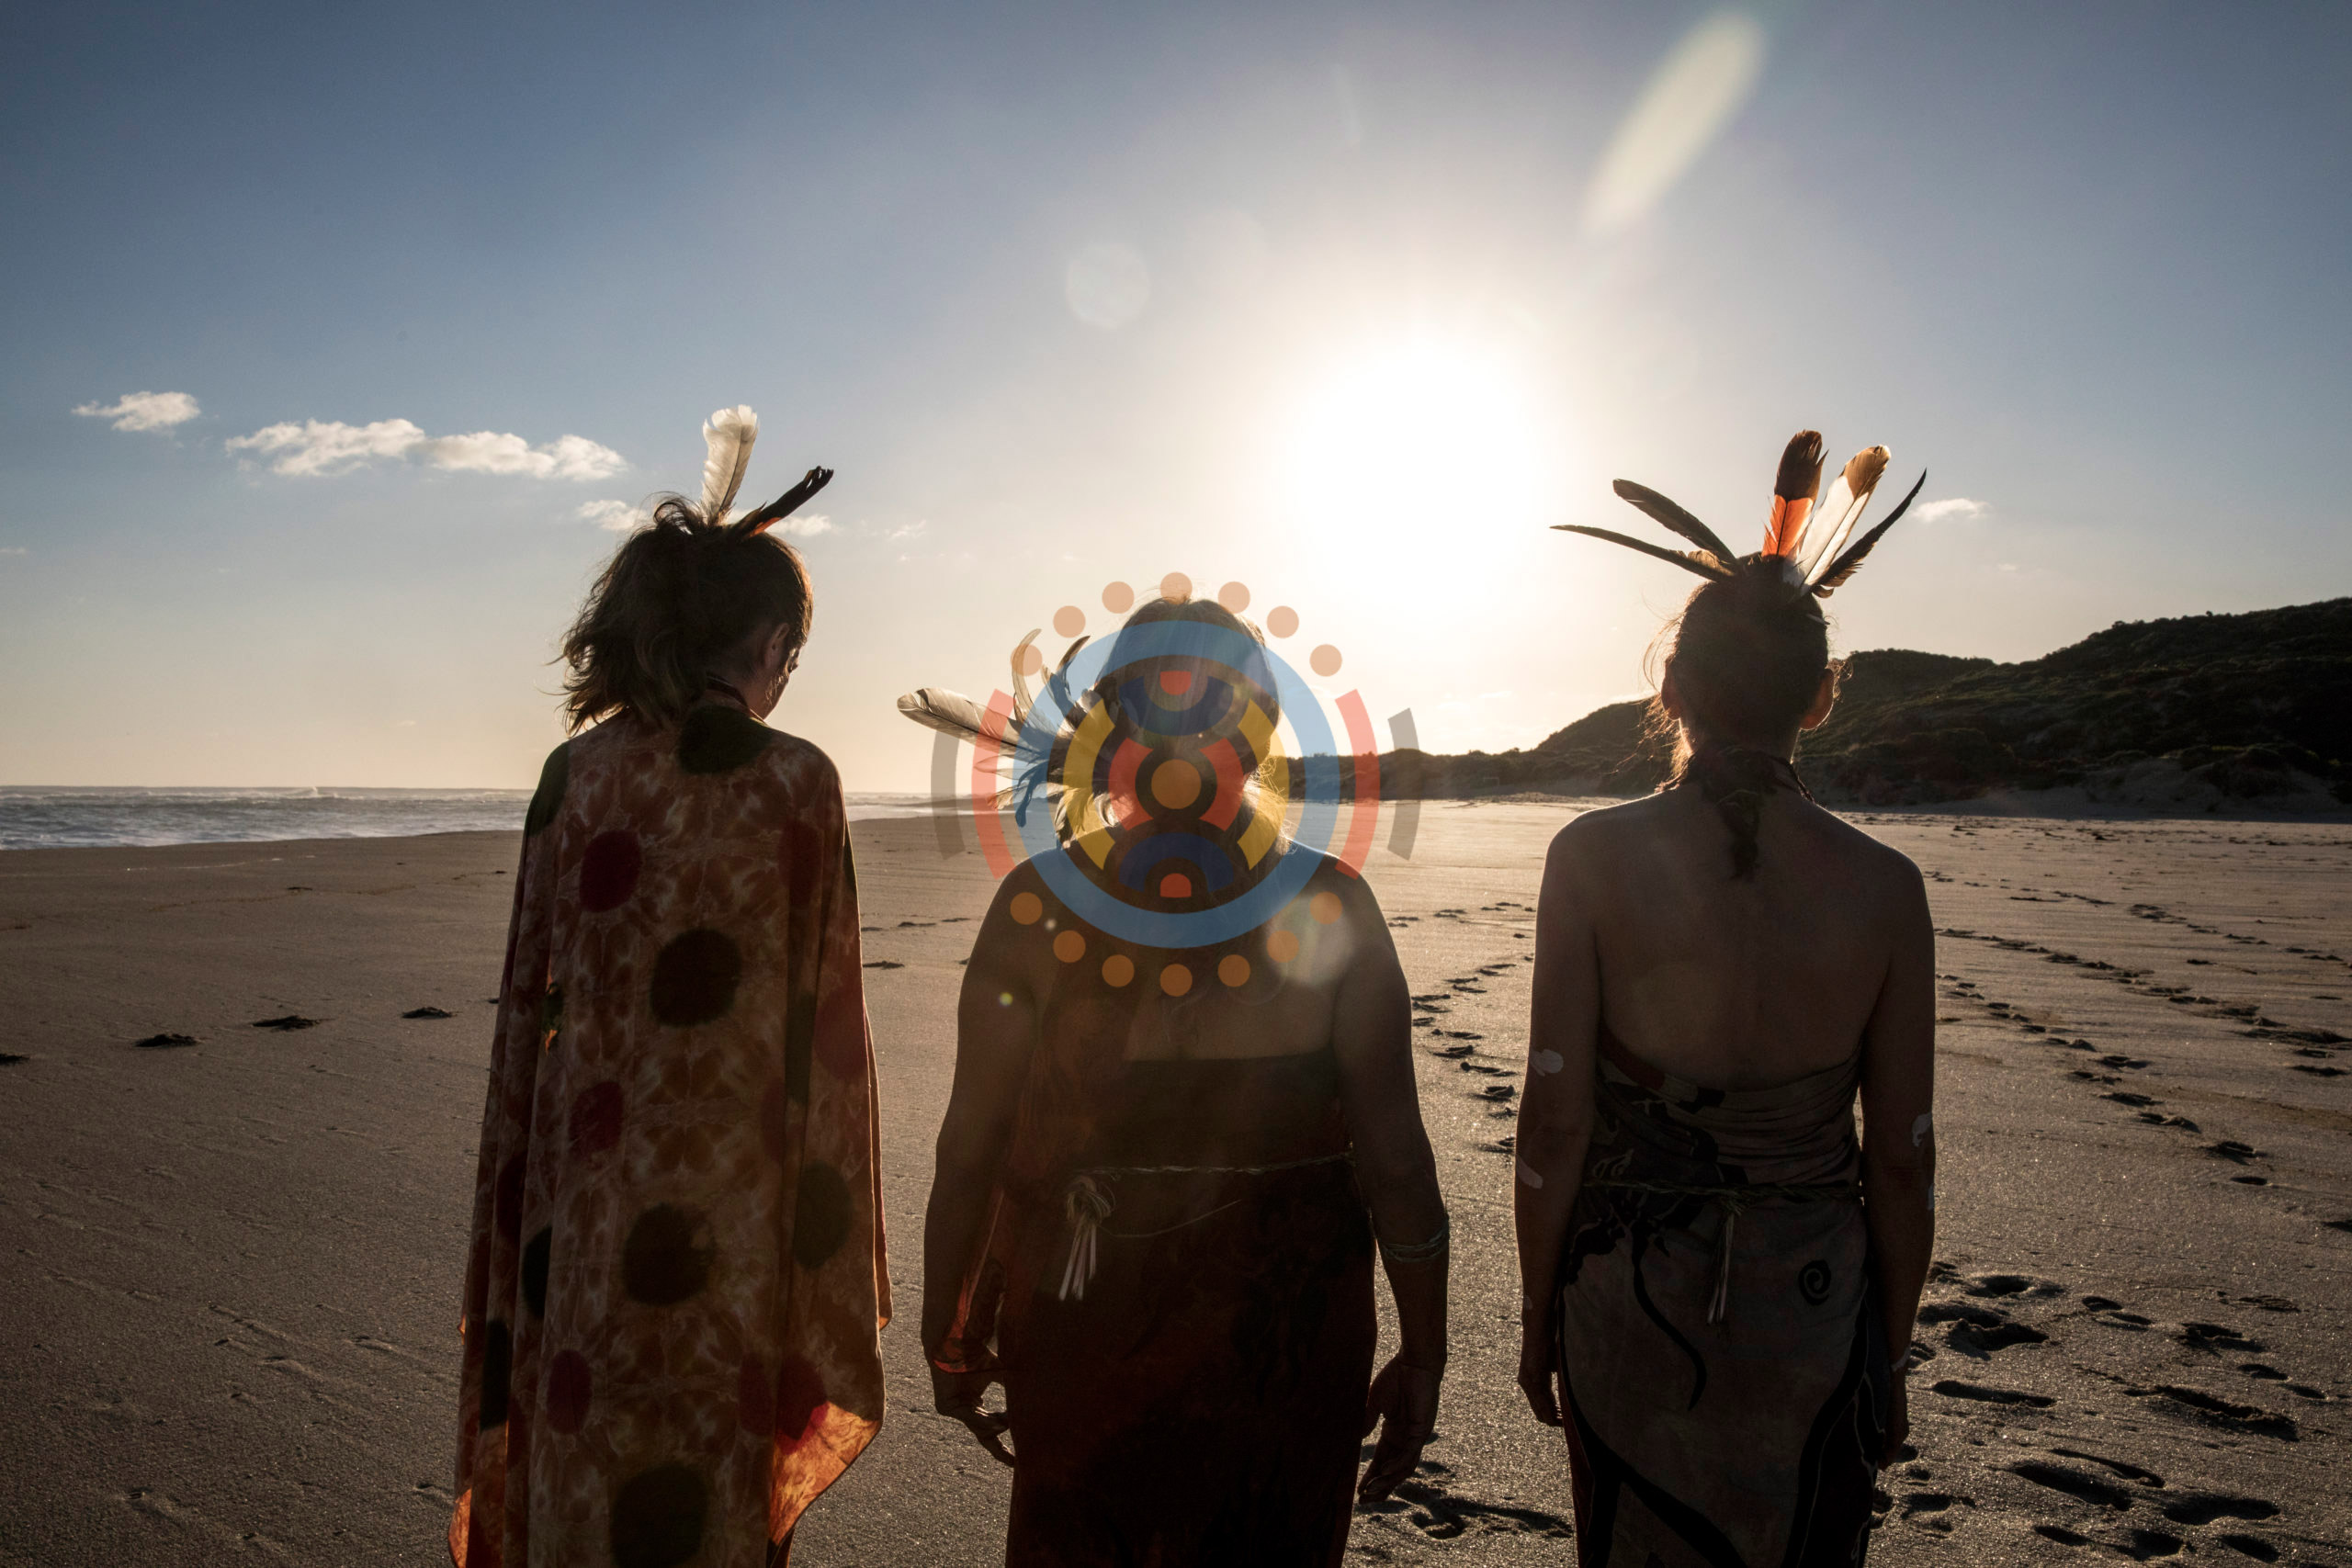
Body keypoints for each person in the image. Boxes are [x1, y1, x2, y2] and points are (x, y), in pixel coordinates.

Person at [910, 592, 1449, 1565]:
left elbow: (971, 1146)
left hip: (1084, 1318)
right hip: (1285, 1335)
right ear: (1262, 728)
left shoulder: (1036, 905)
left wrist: (949, 1325)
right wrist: (1425, 1348)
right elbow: (1397, 1162)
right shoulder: (1331, 903)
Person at [449, 408, 887, 1568]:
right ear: (770, 647)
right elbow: (829, 1044)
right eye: (792, 658)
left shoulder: (573, 777)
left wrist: (513, 1230)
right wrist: (832, 1267)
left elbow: (525, 1025)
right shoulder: (796, 782)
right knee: (703, 1502)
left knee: (579, 1476)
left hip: (581, 1222)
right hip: (731, 1229)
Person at [1517, 433, 1938, 1564]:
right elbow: (1902, 1157)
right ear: (1821, 698)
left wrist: (1536, 1313)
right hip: (1812, 1307)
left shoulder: (1589, 860)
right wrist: (1887, 1353)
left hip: (1627, 1294)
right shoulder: (1885, 888)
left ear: (1669, 687)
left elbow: (1553, 1122)